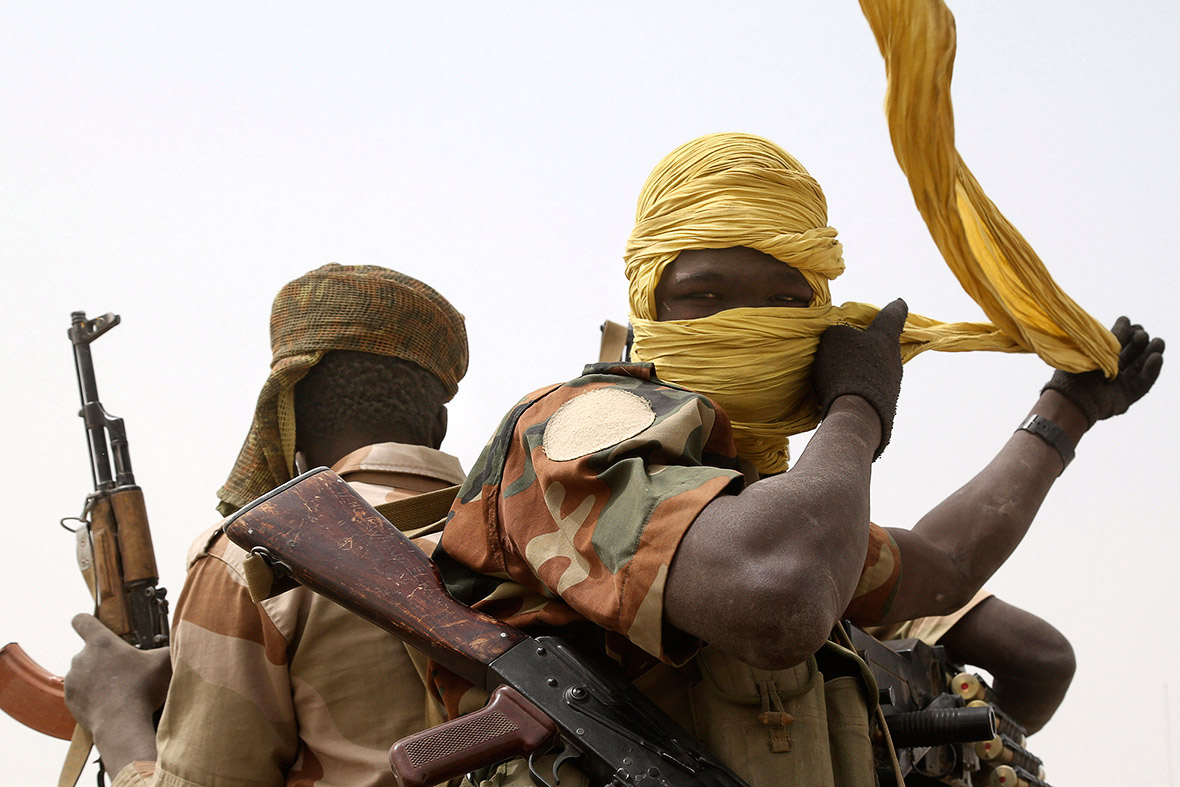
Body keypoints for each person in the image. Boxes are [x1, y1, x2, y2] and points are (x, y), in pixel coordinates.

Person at [429, 135, 1164, 786]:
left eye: (787, 301)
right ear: (650, 304)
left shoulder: (765, 506)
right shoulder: (584, 424)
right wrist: (858, 409)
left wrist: (1067, 409)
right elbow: (778, 598)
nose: (750, 325)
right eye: (706, 296)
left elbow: (943, 561)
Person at [64, 263, 470, 787]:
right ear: (438, 425)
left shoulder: (260, 554)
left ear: (286, 415)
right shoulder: (526, 537)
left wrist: (114, 715)